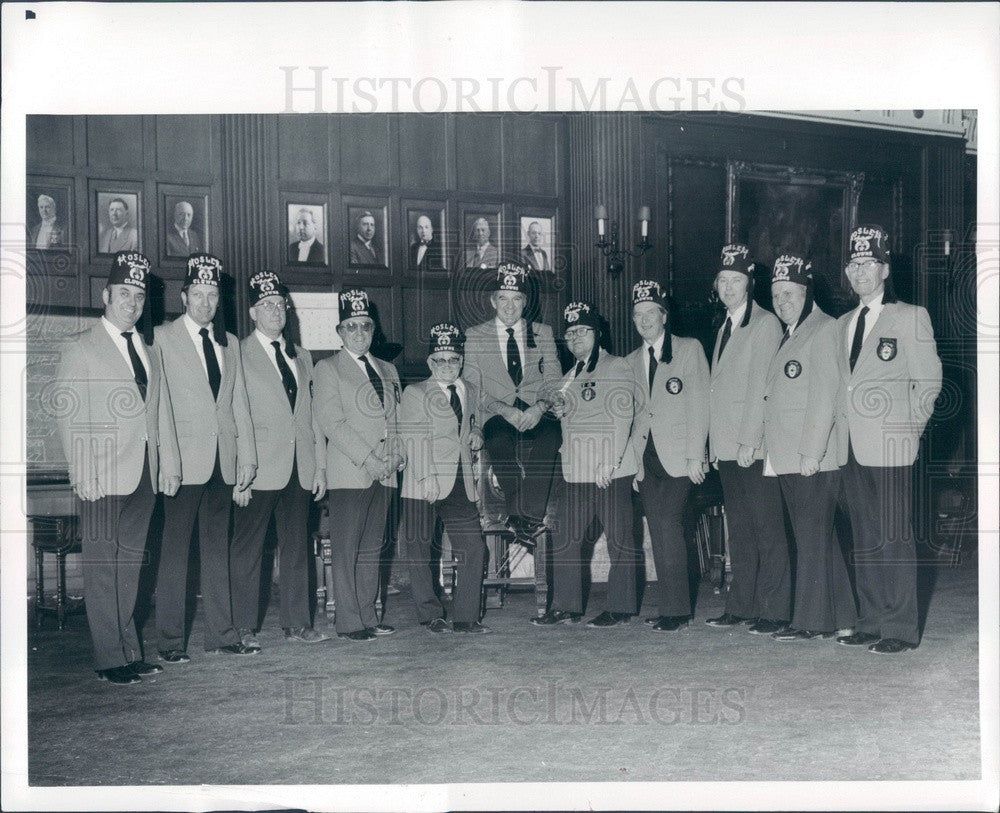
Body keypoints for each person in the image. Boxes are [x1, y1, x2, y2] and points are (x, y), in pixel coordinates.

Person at [55, 251, 180, 685]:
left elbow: (159, 412)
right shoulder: (81, 347)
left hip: (144, 471)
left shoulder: (148, 350)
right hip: (102, 473)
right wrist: (81, 471)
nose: (131, 302)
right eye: (123, 293)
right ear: (106, 295)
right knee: (102, 567)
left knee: (130, 567)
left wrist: (167, 463)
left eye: (139, 295)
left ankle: (131, 650)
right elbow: (70, 415)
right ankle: (110, 658)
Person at [834, 225, 942, 654]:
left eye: (869, 263)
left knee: (894, 535)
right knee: (864, 534)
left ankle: (898, 627)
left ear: (885, 269)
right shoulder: (843, 323)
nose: (860, 271)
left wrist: (909, 430)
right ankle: (871, 618)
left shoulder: (910, 316)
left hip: (891, 445)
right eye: (854, 264)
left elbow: (930, 382)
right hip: (852, 446)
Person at [154, 253, 259, 661]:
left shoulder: (229, 342)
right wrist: (167, 461)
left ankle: (222, 634)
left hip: (223, 461)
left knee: (219, 550)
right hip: (183, 462)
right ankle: (169, 642)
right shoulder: (162, 338)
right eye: (197, 294)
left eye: (212, 295)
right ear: (184, 297)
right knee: (175, 552)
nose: (205, 302)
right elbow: (158, 403)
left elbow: (239, 405)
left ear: (220, 300)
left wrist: (246, 457)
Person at [229, 271, 330, 648]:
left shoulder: (301, 356)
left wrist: (319, 465)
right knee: (248, 548)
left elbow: (313, 416)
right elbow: (234, 413)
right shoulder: (237, 352)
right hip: (257, 468)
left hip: (299, 466)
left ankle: (297, 623)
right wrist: (241, 472)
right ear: (253, 313)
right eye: (267, 306)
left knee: (297, 546)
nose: (275, 311)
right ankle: (242, 626)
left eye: (280, 305)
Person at [761, 254, 856, 642]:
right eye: (776, 296)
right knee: (818, 537)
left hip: (812, 455)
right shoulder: (792, 332)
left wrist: (812, 451)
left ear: (806, 292)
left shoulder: (823, 329)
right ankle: (845, 617)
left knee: (812, 537)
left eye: (789, 293)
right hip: (789, 454)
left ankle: (812, 622)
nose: (782, 302)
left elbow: (825, 394)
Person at [530, 302, 641, 628]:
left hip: (609, 470)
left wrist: (611, 462)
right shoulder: (568, 376)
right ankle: (566, 606)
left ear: (598, 333)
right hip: (577, 472)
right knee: (567, 539)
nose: (576, 338)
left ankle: (621, 608)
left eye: (583, 331)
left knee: (619, 540)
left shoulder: (616, 366)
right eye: (570, 333)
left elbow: (622, 416)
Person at [705, 243, 790, 634]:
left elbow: (761, 387)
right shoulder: (723, 325)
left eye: (736, 280)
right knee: (738, 530)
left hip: (751, 446)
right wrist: (713, 444)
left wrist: (749, 439)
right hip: (726, 447)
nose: (728, 287)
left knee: (768, 530)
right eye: (723, 280)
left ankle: (774, 611)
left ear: (749, 284)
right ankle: (741, 606)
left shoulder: (765, 324)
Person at [313, 289, 403, 641]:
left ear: (373, 328)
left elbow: (397, 422)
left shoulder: (389, 369)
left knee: (372, 547)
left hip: (387, 471)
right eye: (351, 327)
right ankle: (350, 621)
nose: (360, 333)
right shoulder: (328, 368)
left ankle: (370, 614)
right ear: (339, 332)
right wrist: (371, 460)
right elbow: (331, 422)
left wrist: (393, 459)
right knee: (348, 547)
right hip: (351, 472)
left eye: (365, 326)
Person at [627, 280, 709, 633]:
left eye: (650, 313)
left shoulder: (689, 350)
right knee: (658, 530)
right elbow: (631, 414)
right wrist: (630, 462)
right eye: (637, 315)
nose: (644, 321)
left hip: (679, 456)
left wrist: (696, 455)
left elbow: (700, 403)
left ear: (664, 316)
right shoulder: (631, 361)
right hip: (645, 459)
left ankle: (677, 610)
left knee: (669, 525)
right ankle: (669, 607)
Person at [398, 323, 490, 634]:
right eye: (440, 360)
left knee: (473, 547)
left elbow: (475, 420)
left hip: (460, 480)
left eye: (453, 359)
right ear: (429, 363)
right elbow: (414, 437)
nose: (447, 366)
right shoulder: (416, 392)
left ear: (461, 361)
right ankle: (430, 615)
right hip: (422, 481)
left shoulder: (471, 390)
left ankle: (466, 617)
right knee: (421, 550)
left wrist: (477, 432)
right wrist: (426, 477)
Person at [462, 262, 561, 544]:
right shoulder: (475, 335)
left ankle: (523, 516)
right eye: (503, 299)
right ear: (493, 301)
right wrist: (505, 410)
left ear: (525, 302)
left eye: (516, 299)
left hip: (536, 410)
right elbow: (472, 387)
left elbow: (554, 383)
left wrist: (539, 408)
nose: (509, 306)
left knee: (552, 434)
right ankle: (523, 516)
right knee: (498, 441)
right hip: (497, 412)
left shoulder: (543, 333)